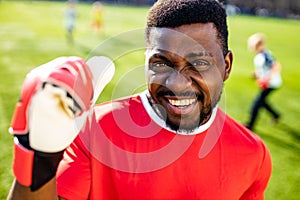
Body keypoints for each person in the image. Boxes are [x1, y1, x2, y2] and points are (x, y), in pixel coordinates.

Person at [7, 0, 272, 199]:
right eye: (161, 64)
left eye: (199, 63)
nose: (177, 84)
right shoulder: (93, 130)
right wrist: (40, 154)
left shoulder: (254, 155)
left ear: (226, 66)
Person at [245, 32, 282, 131]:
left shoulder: (265, 55)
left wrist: (267, 79)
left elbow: (276, 66)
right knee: (262, 101)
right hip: (267, 83)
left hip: (272, 84)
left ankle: (250, 125)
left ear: (259, 45)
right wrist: (256, 75)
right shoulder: (259, 56)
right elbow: (263, 69)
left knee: (256, 103)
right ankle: (276, 115)